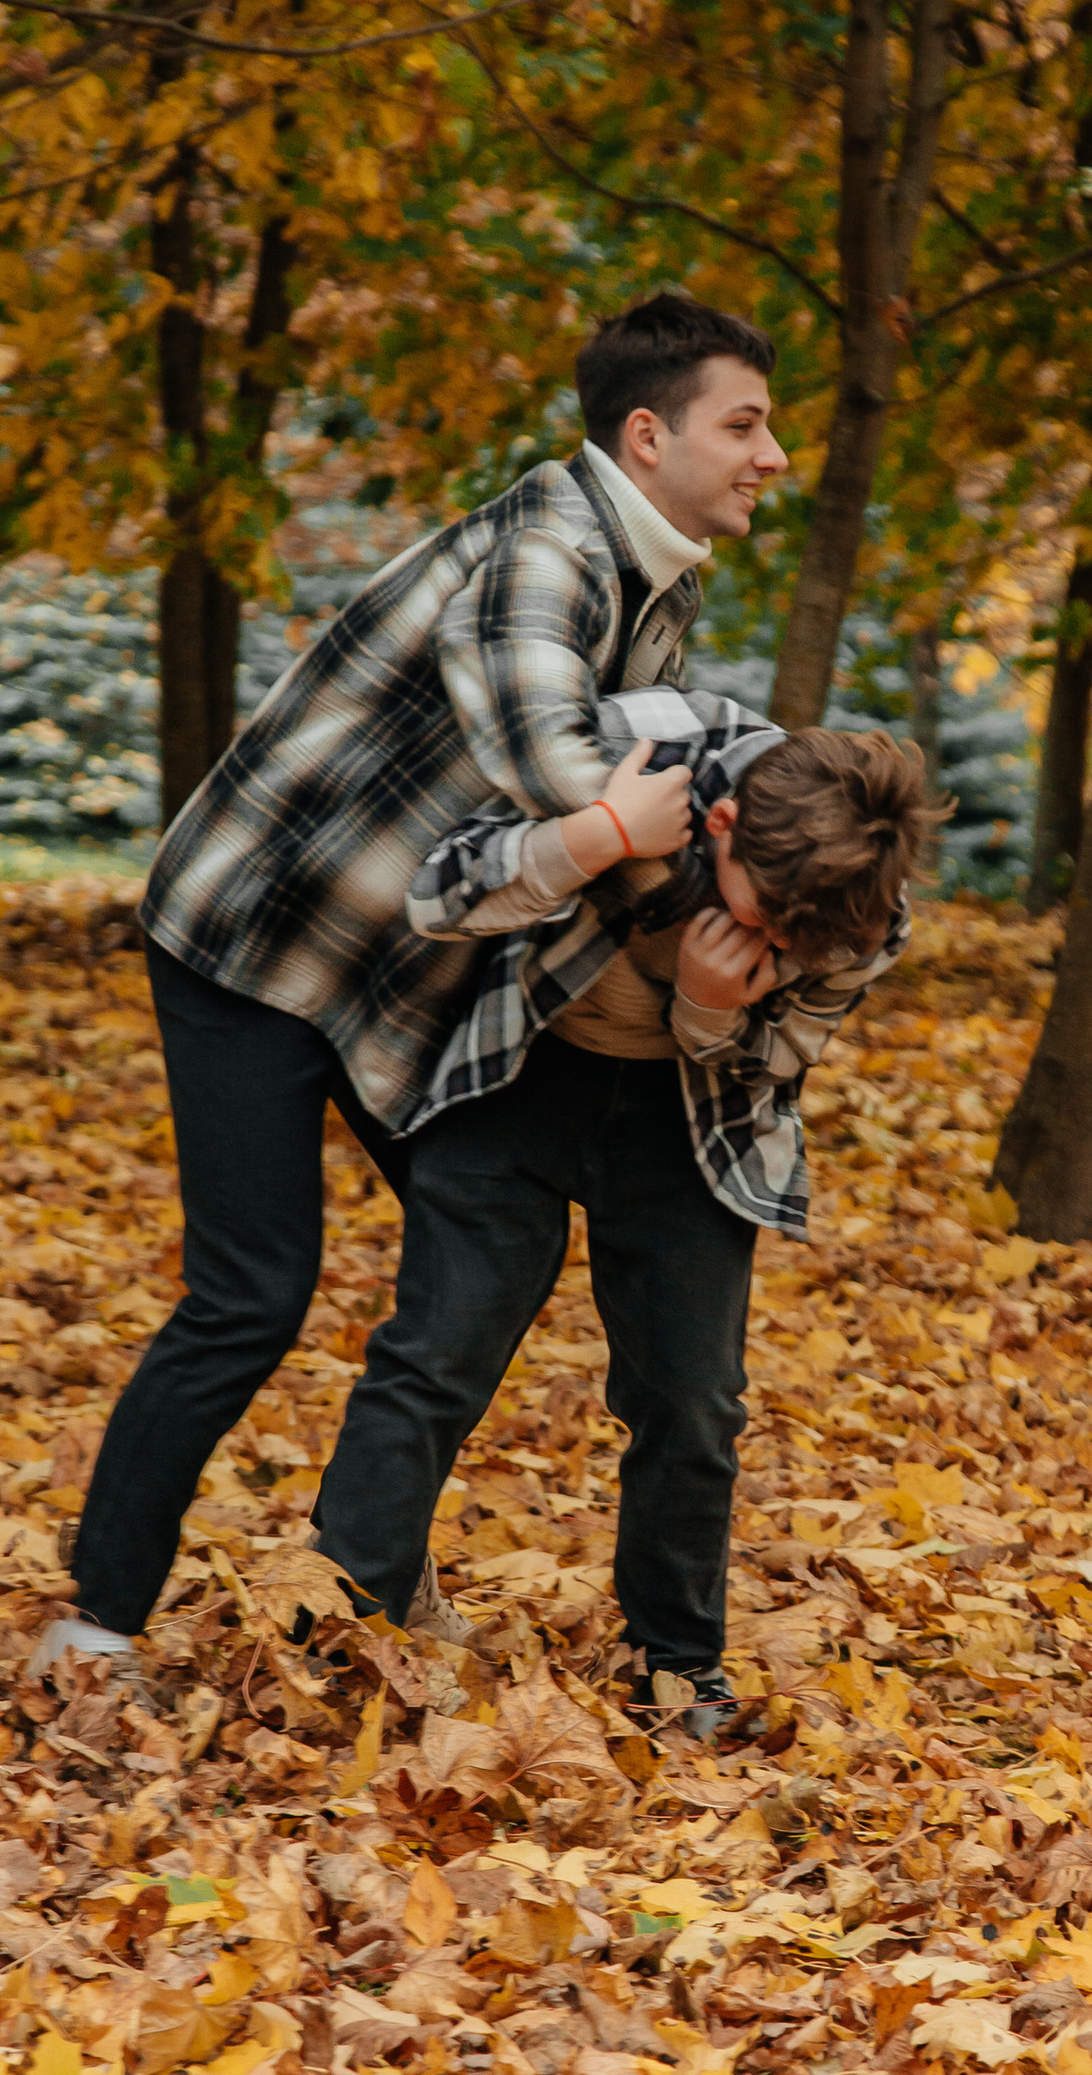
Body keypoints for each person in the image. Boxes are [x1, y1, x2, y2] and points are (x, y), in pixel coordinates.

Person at [27, 292, 787, 1682]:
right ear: (647, 434)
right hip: (258, 946)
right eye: (743, 426)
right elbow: (561, 772)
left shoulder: (657, 582)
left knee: (492, 1247)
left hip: (399, 957)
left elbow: (626, 799)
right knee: (251, 1294)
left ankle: (362, 1569)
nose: (771, 456)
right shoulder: (549, 552)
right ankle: (96, 1625)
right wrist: (716, 824)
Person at [305, 687, 933, 1739]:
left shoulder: (861, 916)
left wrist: (709, 1005)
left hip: (688, 1118)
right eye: (763, 922)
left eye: (800, 946)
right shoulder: (623, 746)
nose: (779, 949)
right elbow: (436, 886)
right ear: (722, 824)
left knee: (692, 1398)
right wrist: (598, 837)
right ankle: (341, 1631)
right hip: (517, 1069)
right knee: (441, 1350)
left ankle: (678, 1672)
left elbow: (777, 1061)